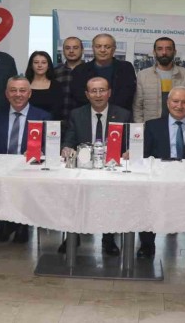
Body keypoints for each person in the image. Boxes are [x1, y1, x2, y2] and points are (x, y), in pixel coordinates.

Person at [140, 86, 185, 271]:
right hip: (160, 178)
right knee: (146, 197)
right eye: (175, 101)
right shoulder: (152, 126)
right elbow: (144, 156)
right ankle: (147, 245)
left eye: (184, 102)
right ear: (168, 103)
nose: (179, 106)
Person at [0, 75, 51, 243]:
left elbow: (50, 146)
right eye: (13, 90)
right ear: (7, 94)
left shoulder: (43, 116)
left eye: (22, 90)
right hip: (1, 170)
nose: (18, 94)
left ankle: (20, 225)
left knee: (23, 186)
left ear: (29, 93)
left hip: (29, 170)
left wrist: (40, 151)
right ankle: (6, 223)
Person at [61, 77, 132, 255]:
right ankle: (72, 236)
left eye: (102, 90)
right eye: (93, 91)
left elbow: (130, 143)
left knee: (113, 194)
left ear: (109, 93)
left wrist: (130, 151)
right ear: (87, 94)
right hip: (84, 168)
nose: (98, 95)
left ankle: (109, 238)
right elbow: (69, 139)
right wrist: (66, 148)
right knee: (71, 191)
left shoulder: (123, 115)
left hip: (112, 169)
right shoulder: (77, 114)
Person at [133, 37, 185, 123]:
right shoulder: (143, 75)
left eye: (168, 49)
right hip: (151, 126)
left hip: (179, 126)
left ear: (174, 52)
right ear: (154, 52)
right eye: (160, 49)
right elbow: (137, 107)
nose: (164, 52)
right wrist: (141, 127)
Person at [70, 33, 137, 113]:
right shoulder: (80, 70)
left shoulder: (126, 68)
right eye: (98, 46)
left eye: (107, 47)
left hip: (119, 115)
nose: (102, 50)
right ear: (93, 48)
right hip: (88, 115)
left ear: (114, 49)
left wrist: (108, 111)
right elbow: (79, 96)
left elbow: (127, 95)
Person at [24, 51, 63, 119]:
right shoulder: (24, 84)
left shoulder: (57, 85)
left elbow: (58, 110)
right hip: (27, 122)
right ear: (31, 65)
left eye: (44, 62)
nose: (40, 65)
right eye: (36, 62)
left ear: (48, 66)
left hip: (50, 123)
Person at [54, 37, 84, 120]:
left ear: (82, 50)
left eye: (75, 48)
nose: (71, 51)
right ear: (63, 51)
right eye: (67, 48)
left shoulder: (90, 71)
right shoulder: (55, 72)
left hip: (83, 121)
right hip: (59, 120)